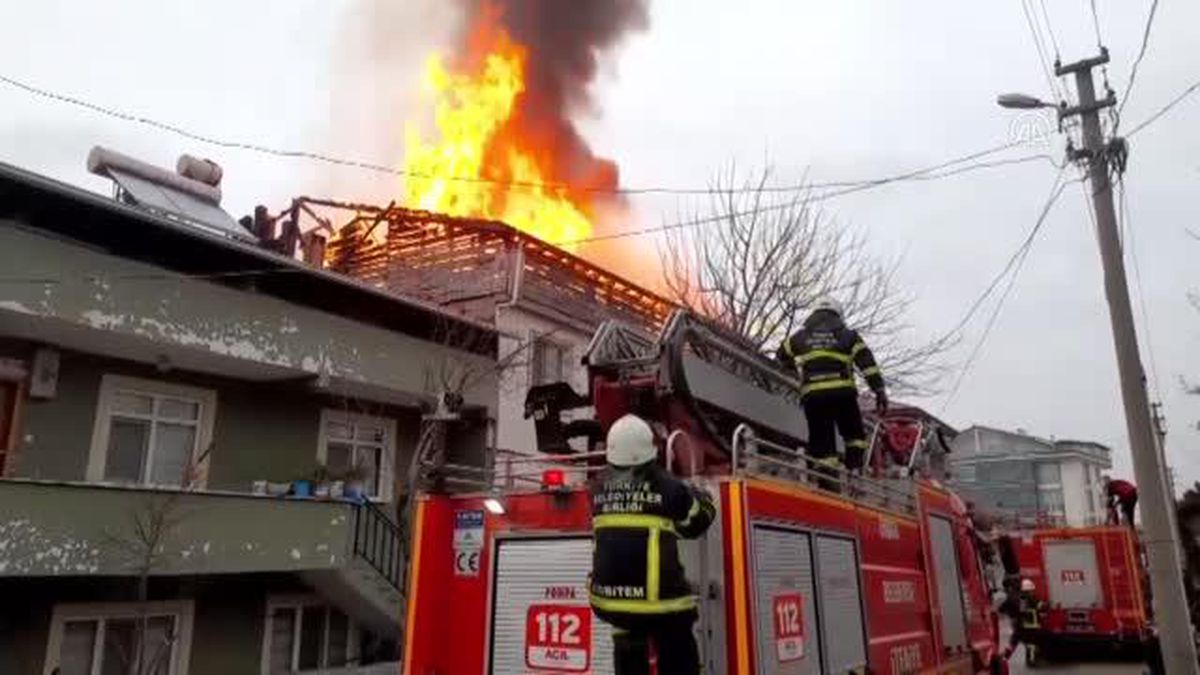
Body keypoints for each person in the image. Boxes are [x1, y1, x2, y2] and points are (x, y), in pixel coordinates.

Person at [589, 414, 717, 675]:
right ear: (651, 448)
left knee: (627, 637)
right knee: (678, 640)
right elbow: (697, 523)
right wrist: (704, 499)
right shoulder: (669, 487)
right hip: (660, 606)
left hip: (611, 604)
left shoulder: (596, 489)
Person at [776, 297, 888, 477]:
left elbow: (781, 355)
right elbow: (867, 365)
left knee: (821, 438)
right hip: (842, 394)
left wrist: (795, 373)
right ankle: (855, 469)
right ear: (838, 314)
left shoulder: (800, 336)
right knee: (854, 435)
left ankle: (828, 478)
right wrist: (879, 391)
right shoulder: (849, 336)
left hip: (813, 396)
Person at [1004, 578, 1046, 665]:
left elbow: (1013, 610)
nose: (1032, 592)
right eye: (1031, 590)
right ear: (1029, 590)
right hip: (1031, 626)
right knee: (1031, 644)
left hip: (1020, 626)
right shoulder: (1032, 599)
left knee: (1013, 642)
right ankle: (1031, 660)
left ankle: (1004, 658)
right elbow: (1040, 606)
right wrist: (1046, 604)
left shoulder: (1019, 599)